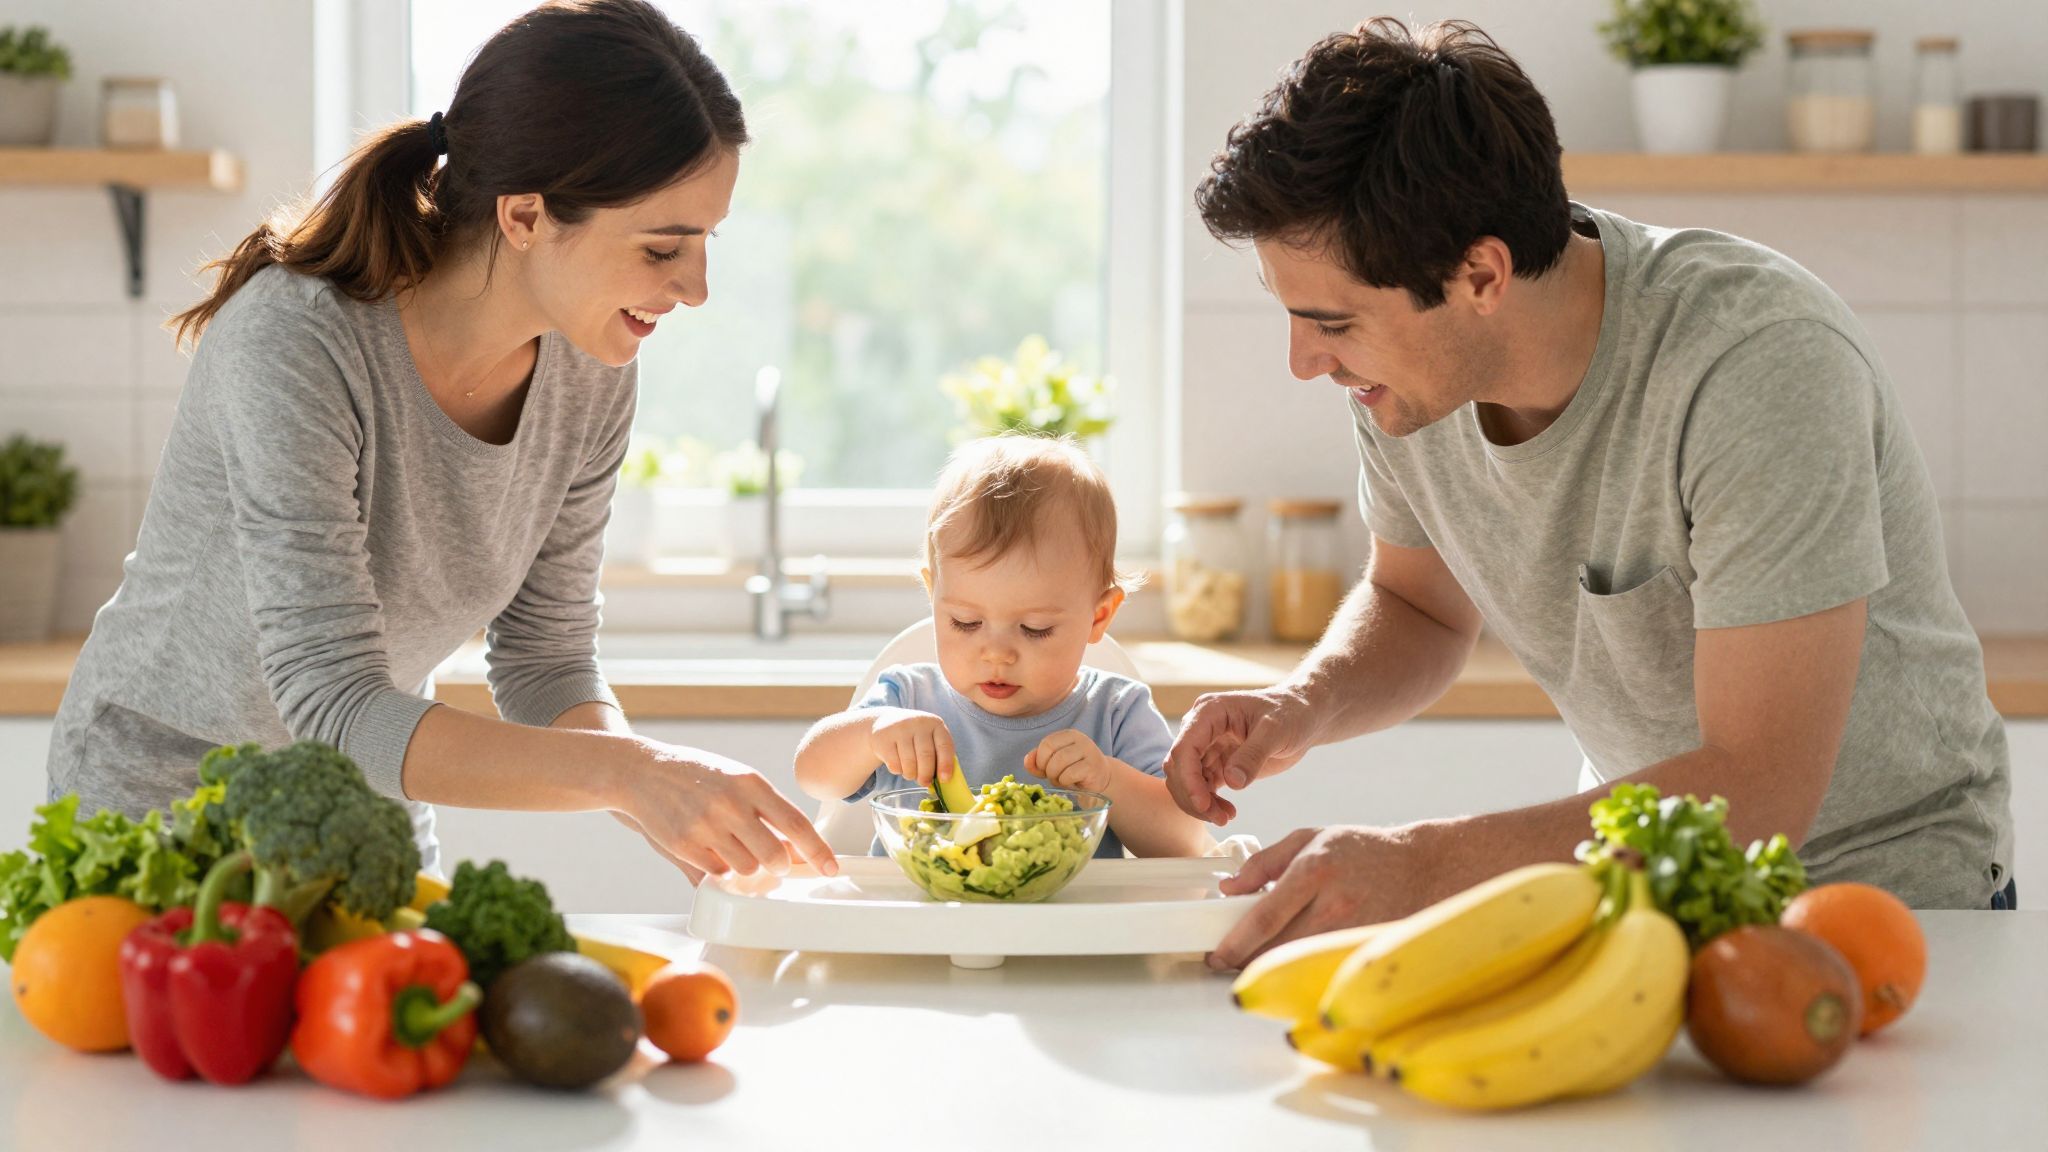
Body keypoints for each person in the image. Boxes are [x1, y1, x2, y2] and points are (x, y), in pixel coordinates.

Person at [1168, 18, 2015, 968]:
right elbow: (1418, 604)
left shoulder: (1755, 362)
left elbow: (1760, 786)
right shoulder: (1409, 379)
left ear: (1479, 274)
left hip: (1880, 903)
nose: (1304, 361)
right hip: (1639, 891)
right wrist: (1301, 705)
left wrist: (1422, 865)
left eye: (1331, 323)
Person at [46, 0, 835, 884]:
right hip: (161, 804)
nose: (695, 289)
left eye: (704, 243)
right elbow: (332, 697)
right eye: (662, 249)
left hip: (361, 809)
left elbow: (545, 660)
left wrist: (669, 813)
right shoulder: (298, 341)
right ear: (525, 216)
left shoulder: (593, 365)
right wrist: (636, 776)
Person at [794, 435, 1212, 859]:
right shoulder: (907, 698)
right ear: (932, 594)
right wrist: (871, 734)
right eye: (966, 622)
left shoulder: (1117, 712)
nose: (997, 653)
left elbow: (1184, 843)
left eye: (1035, 628)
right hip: (919, 923)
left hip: (1075, 925)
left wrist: (1109, 781)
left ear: (1098, 616)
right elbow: (813, 776)